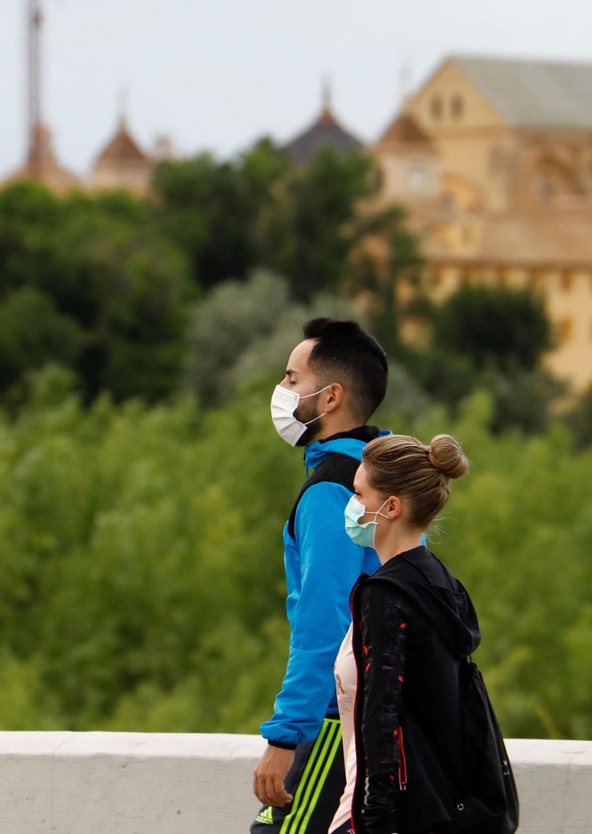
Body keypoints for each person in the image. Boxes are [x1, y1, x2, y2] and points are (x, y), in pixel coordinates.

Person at [252, 317, 391, 834]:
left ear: (329, 397)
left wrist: (286, 737)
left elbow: (325, 621)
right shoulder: (381, 479)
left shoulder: (331, 490)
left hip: (337, 721)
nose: (282, 392)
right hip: (381, 713)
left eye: (291, 379)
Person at [332, 433, 479, 834]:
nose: (352, 506)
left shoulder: (385, 594)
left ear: (391, 507)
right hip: (437, 807)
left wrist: (375, 817)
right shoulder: (443, 584)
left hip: (383, 814)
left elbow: (383, 712)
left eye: (359, 494)